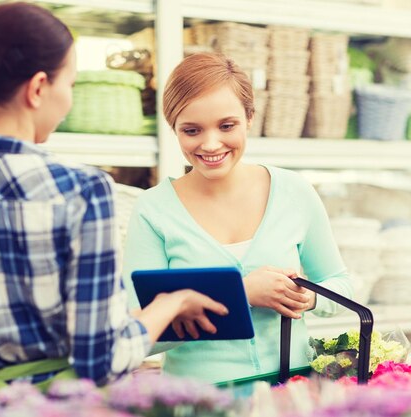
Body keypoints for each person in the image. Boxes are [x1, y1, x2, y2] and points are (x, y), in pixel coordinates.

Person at [0, 3, 228, 401]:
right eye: (71, 85)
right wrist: (172, 302)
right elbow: (101, 357)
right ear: (39, 87)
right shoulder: (80, 190)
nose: (69, 102)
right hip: (60, 404)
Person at [122, 52, 353, 384]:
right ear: (173, 128)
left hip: (289, 393)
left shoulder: (294, 192)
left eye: (226, 126)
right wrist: (240, 293)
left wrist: (305, 295)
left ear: (249, 117)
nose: (210, 143)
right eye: (191, 130)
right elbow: (137, 333)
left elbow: (342, 286)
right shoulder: (153, 210)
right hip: (199, 400)